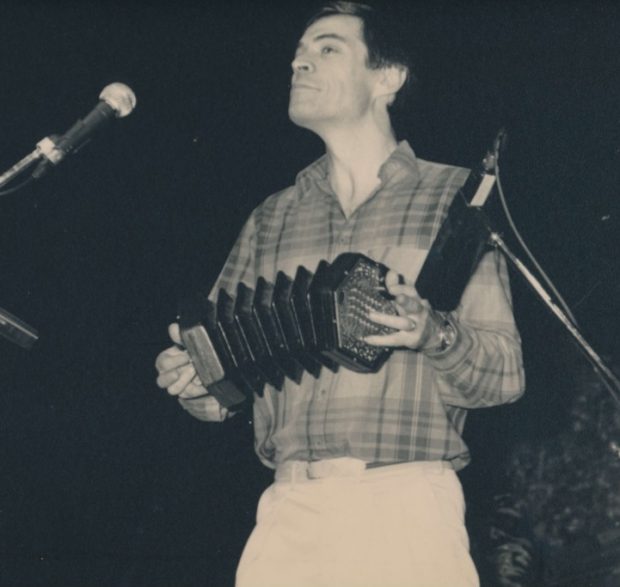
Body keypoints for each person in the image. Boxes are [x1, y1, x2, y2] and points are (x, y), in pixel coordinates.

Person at [155, 2, 525, 585]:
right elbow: (221, 391)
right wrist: (192, 379)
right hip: (288, 511)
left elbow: (504, 377)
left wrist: (433, 333)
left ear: (388, 78)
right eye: (299, 53)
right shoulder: (271, 217)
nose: (300, 62)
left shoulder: (455, 199)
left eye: (327, 48)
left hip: (406, 505)